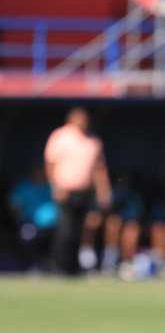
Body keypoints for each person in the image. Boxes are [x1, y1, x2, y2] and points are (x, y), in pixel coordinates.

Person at [44, 107, 112, 276]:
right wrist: (56, 186)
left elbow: (99, 169)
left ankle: (74, 268)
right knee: (65, 230)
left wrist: (104, 192)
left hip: (85, 191)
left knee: (80, 230)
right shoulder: (60, 136)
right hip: (65, 190)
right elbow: (50, 163)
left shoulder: (92, 140)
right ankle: (59, 266)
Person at [9, 165, 57, 271]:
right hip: (29, 223)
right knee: (28, 236)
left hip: (53, 225)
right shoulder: (24, 187)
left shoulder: (52, 187)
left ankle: (54, 266)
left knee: (64, 237)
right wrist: (19, 219)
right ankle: (32, 266)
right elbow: (14, 206)